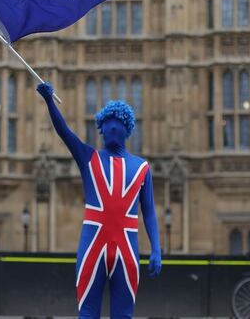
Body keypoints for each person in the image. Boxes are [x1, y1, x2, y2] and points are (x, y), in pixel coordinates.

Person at [37, 82, 162, 319]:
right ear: (100, 128)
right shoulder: (88, 157)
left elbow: (150, 212)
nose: (113, 126)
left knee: (123, 316)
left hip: (126, 250)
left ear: (128, 129)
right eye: (108, 122)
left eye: (119, 123)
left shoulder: (142, 168)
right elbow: (65, 132)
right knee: (87, 314)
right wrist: (49, 101)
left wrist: (156, 248)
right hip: (93, 247)